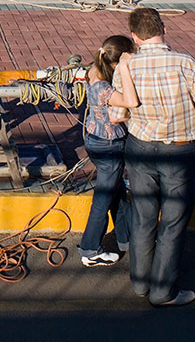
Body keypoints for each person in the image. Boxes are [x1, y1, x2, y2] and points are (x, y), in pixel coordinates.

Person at [119, 7, 195, 307]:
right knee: (172, 223)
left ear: (134, 37)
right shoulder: (186, 64)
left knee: (143, 216)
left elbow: (116, 113)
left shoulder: (128, 67)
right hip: (179, 149)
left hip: (140, 147)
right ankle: (163, 291)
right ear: (164, 28)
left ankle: (140, 282)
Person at [78, 35, 140, 267]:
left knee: (117, 195)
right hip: (110, 144)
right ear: (118, 60)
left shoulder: (95, 69)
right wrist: (125, 68)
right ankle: (90, 249)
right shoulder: (104, 87)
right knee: (103, 199)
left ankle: (128, 238)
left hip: (94, 139)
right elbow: (130, 102)